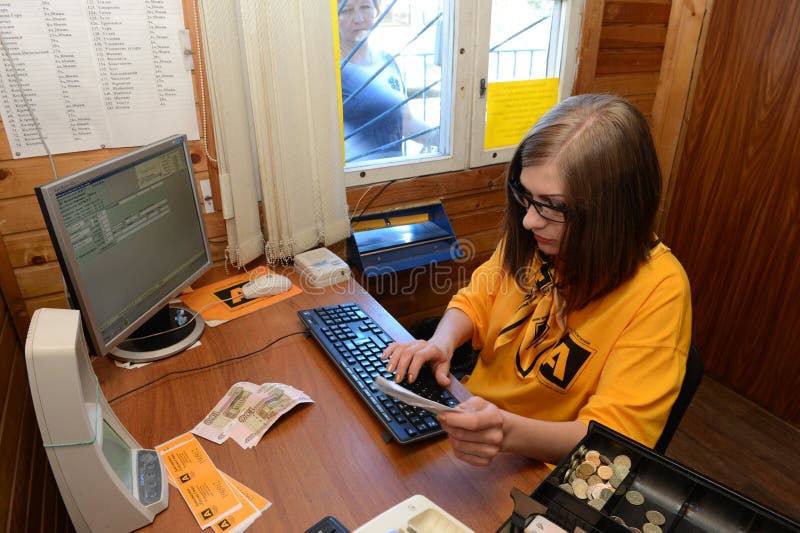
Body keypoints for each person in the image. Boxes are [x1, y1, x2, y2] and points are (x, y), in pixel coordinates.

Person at [382, 94, 692, 466]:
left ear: (612, 212)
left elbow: (611, 440)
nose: (529, 220)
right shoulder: (537, 236)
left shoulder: (660, 290)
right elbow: (476, 299)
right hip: (473, 423)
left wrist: (507, 432)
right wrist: (442, 343)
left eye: (553, 206)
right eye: (526, 197)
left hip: (535, 463)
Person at [338, 0, 436, 162]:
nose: (359, 18)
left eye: (365, 7)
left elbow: (406, 120)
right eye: (347, 11)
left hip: (392, 175)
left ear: (376, 12)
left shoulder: (386, 61)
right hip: (353, 180)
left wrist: (441, 137)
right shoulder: (331, 70)